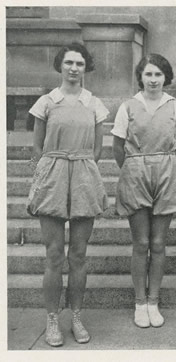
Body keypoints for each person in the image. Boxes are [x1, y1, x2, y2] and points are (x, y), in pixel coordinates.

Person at [28, 42, 109, 346]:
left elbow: (98, 149)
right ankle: (52, 319)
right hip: (52, 174)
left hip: (84, 175)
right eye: (69, 63)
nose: (74, 68)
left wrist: (81, 169)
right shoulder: (47, 101)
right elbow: (37, 148)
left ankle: (75, 316)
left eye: (79, 63)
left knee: (78, 255)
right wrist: (43, 176)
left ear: (86, 68)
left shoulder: (94, 103)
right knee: (53, 255)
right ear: (60, 66)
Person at [112, 54, 176, 328]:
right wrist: (136, 167)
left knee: (158, 243)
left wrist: (165, 167)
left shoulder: (175, 107)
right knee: (141, 243)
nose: (153, 80)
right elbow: (117, 147)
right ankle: (139, 302)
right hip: (135, 173)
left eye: (158, 75)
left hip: (167, 172)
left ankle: (154, 300)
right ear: (141, 77)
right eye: (148, 74)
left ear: (165, 77)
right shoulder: (128, 107)